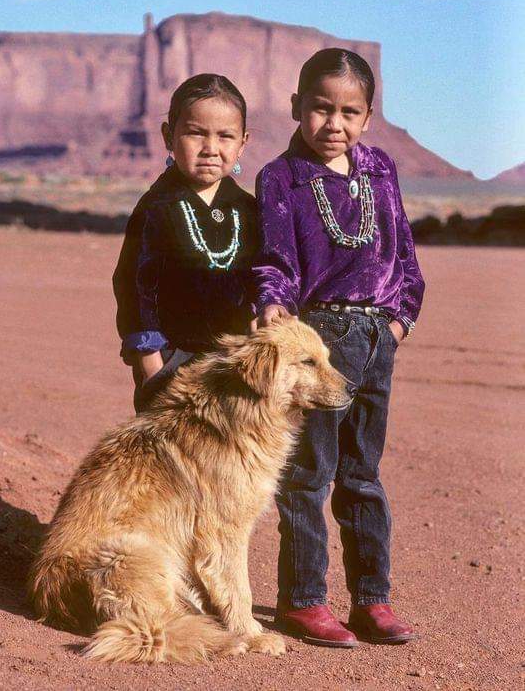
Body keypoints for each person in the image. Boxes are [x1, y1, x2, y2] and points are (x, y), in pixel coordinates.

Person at [254, 48, 425, 648]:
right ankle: (303, 600)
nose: (335, 123)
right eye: (321, 108)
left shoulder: (380, 168)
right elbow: (274, 259)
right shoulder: (281, 177)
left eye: (349, 112)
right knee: (308, 473)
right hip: (318, 343)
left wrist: (401, 319)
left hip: (378, 338)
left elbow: (404, 253)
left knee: (363, 475)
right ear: (297, 107)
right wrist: (273, 304)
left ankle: (371, 600)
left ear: (368, 118)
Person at [113, 73, 258, 413]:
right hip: (171, 361)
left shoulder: (249, 210)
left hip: (234, 362)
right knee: (172, 457)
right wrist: (151, 362)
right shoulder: (156, 207)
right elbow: (134, 285)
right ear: (169, 136)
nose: (211, 148)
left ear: (243, 142)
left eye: (225, 136)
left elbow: (260, 279)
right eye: (196, 133)